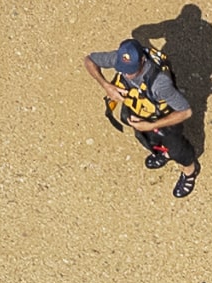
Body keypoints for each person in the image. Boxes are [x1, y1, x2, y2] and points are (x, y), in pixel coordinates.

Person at [84, 38, 199, 197]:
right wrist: (106, 85)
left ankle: (190, 171)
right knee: (147, 139)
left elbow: (185, 112)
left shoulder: (160, 84)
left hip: (164, 117)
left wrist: (151, 125)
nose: (126, 74)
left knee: (177, 149)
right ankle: (164, 154)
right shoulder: (121, 57)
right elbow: (89, 60)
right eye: (122, 68)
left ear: (143, 60)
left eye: (131, 70)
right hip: (140, 110)